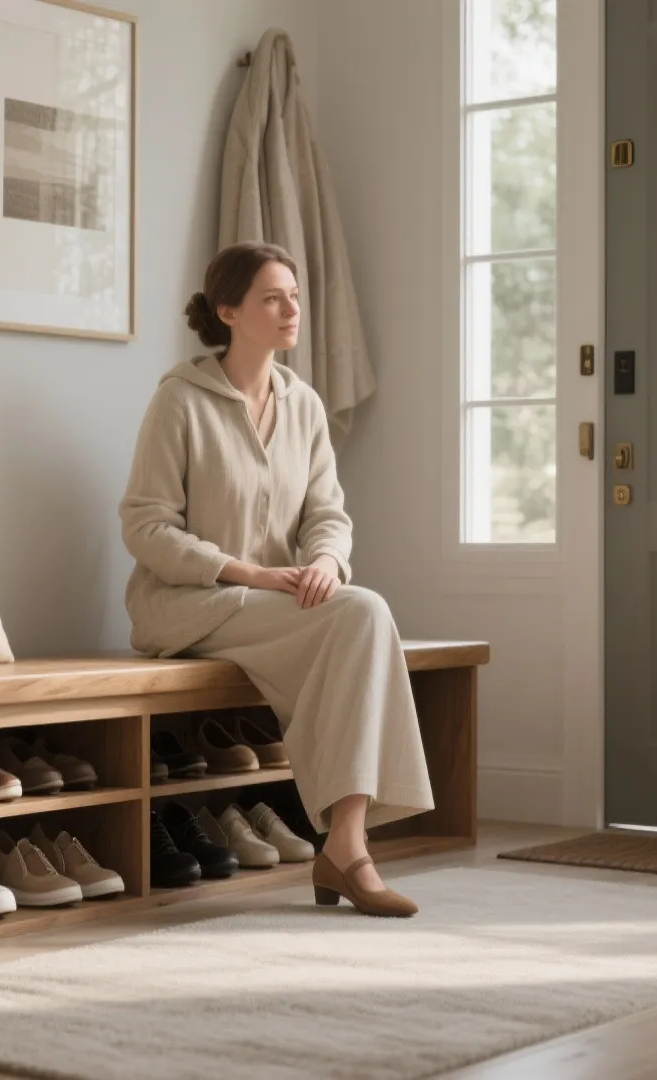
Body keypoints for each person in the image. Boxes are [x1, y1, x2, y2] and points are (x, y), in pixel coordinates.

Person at [119, 241, 432, 917]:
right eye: (272, 297)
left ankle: (345, 843)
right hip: (188, 603)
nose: (291, 308)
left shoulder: (304, 405)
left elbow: (328, 513)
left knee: (361, 610)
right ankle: (346, 854)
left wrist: (324, 562)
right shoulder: (180, 400)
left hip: (273, 604)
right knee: (359, 620)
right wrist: (248, 571)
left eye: (294, 295)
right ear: (228, 311)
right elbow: (145, 526)